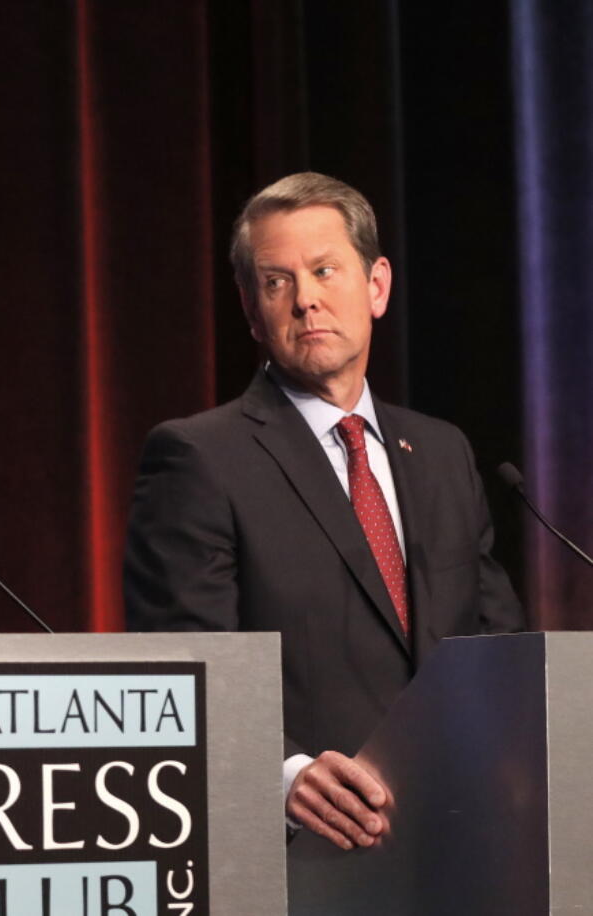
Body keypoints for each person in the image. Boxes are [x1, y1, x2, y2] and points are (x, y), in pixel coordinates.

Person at [123, 172, 523, 852]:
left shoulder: (440, 450)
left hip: (463, 846)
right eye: (277, 282)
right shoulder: (199, 458)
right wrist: (284, 777)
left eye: (323, 270)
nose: (306, 299)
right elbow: (181, 670)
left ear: (376, 287)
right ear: (251, 311)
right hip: (305, 857)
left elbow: (498, 643)